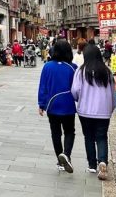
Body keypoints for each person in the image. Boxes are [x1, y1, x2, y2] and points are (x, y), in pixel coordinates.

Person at [71, 43, 116, 180]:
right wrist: (111, 107)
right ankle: (102, 161)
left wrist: (79, 99)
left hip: (85, 111)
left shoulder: (81, 71)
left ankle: (92, 165)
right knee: (102, 137)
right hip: (103, 111)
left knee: (89, 137)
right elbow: (113, 93)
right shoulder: (107, 71)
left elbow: (75, 91)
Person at [37, 38, 78, 173]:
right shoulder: (73, 68)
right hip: (68, 105)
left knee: (55, 133)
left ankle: (60, 160)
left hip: (52, 105)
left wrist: (41, 104)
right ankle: (66, 154)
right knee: (69, 131)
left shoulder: (47, 66)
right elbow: (77, 88)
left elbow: (43, 87)